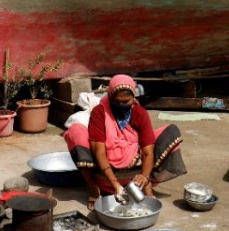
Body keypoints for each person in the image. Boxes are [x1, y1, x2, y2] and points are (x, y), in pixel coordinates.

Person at [64, 74, 186, 210]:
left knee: (170, 132)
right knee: (76, 132)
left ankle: (146, 184)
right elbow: (99, 151)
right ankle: (93, 189)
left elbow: (147, 150)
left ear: (133, 98)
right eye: (117, 102)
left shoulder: (140, 113)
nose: (121, 105)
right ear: (110, 97)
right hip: (105, 171)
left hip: (134, 164)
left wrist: (145, 176)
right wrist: (115, 184)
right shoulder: (100, 112)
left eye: (126, 101)